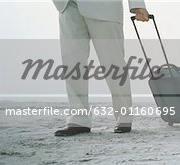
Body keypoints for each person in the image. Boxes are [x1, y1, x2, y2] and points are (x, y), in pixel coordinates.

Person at [52, 0, 149, 136]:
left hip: (104, 7)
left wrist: (137, 5)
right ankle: (79, 119)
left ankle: (124, 116)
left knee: (113, 63)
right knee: (72, 62)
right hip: (67, 5)